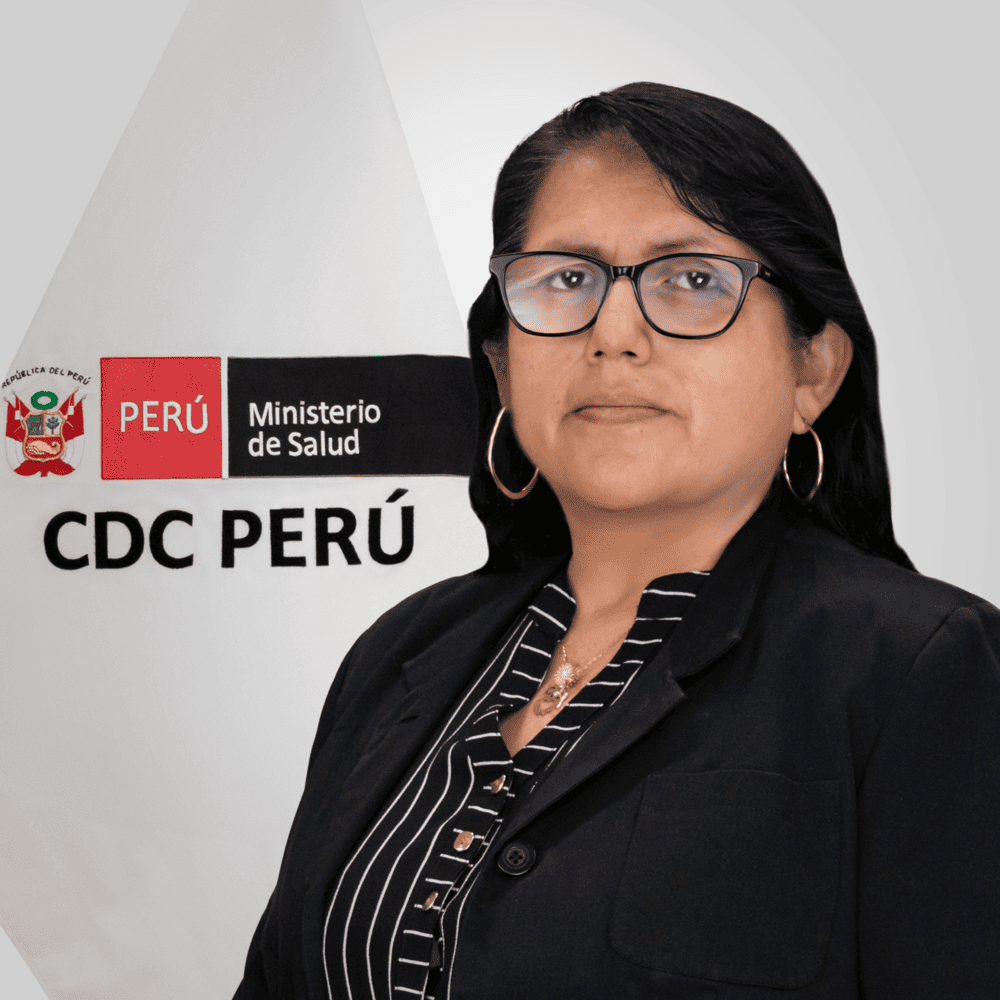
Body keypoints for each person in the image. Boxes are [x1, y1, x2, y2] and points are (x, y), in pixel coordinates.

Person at [234, 83, 1000, 999]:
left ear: (814, 370)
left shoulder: (919, 669)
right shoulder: (399, 654)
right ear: (501, 366)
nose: (614, 333)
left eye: (694, 279)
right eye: (566, 280)